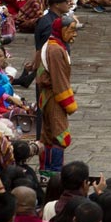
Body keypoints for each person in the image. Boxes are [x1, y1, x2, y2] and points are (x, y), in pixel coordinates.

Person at [35, 15, 78, 173]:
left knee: (48, 135)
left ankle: (46, 169)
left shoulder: (55, 45)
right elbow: (59, 80)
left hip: (49, 96)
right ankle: (54, 171)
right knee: (59, 134)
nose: (75, 34)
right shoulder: (55, 49)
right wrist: (69, 103)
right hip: (54, 98)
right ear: (62, 30)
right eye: (72, 30)